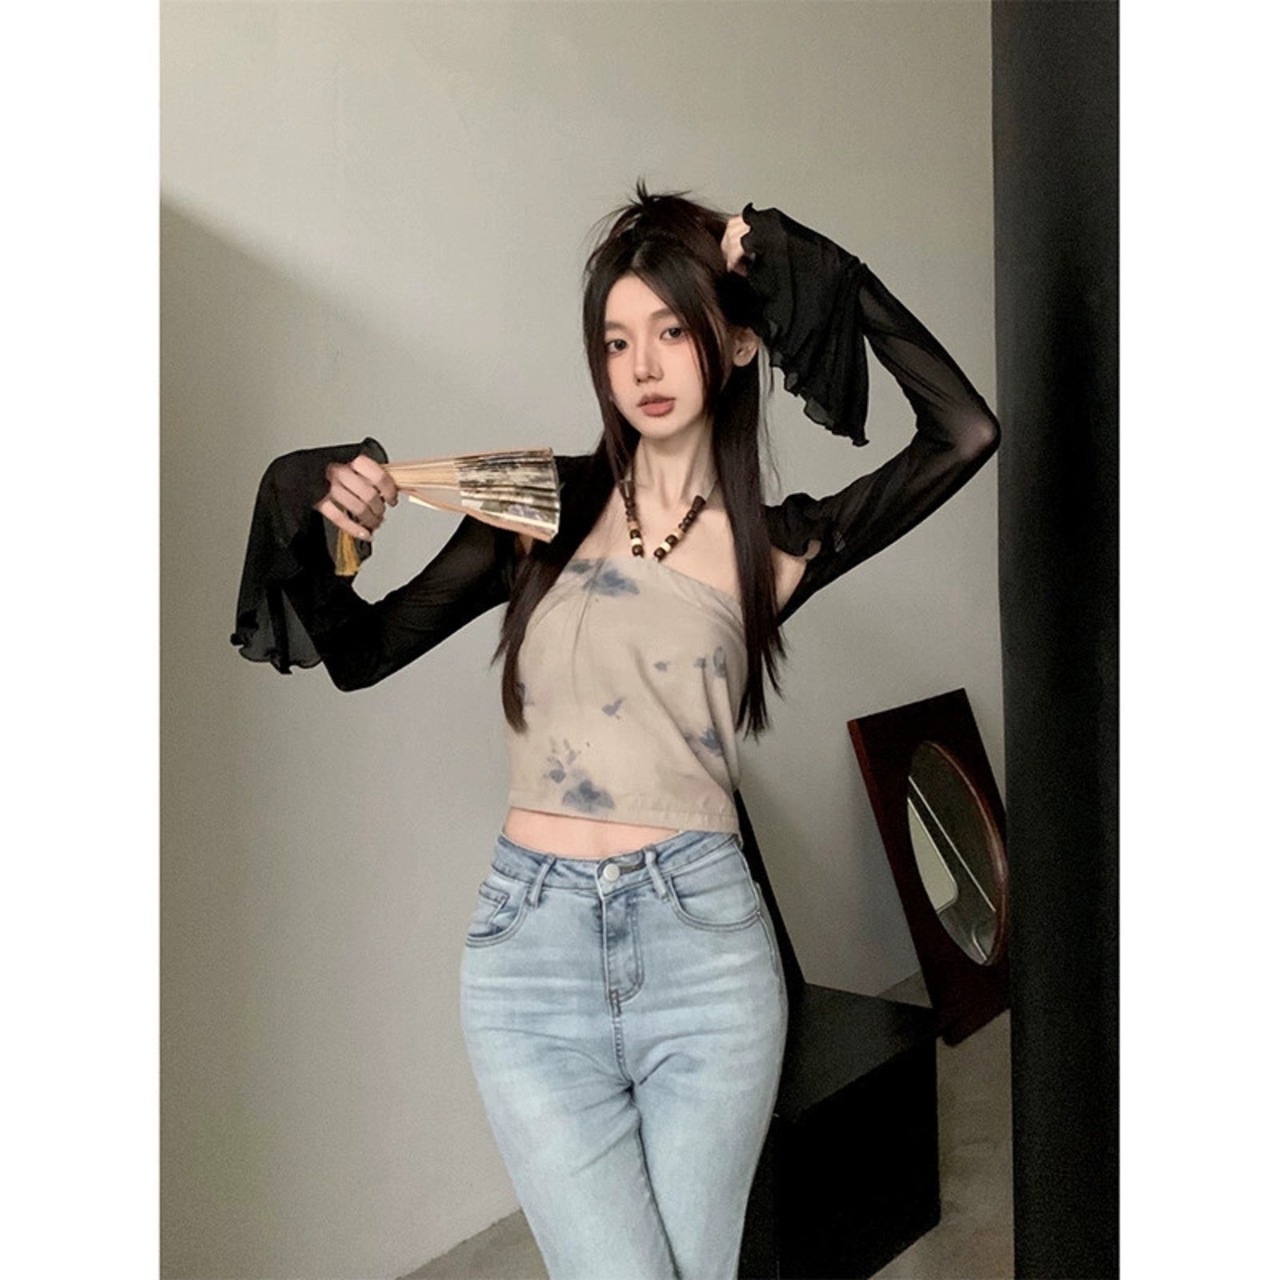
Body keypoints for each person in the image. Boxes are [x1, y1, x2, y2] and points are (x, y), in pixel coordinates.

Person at [231, 183, 999, 1279]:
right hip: (528, 957)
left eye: (672, 331)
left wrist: (805, 262)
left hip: (705, 951)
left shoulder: (778, 547)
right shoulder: (535, 504)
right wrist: (313, 515)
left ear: (737, 341)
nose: (641, 366)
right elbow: (360, 654)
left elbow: (963, 430)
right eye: (615, 340)